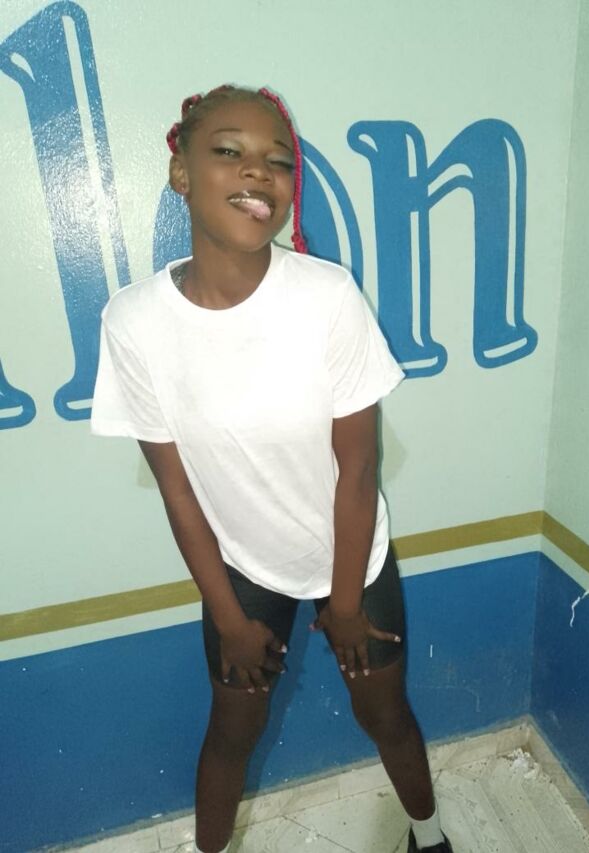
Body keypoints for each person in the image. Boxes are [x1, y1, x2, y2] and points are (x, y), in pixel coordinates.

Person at [91, 84, 452, 853]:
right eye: (229, 151)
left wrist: (345, 605)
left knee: (384, 712)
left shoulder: (327, 297)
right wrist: (229, 619)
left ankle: (430, 836)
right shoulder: (135, 321)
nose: (259, 172)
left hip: (351, 551)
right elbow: (177, 489)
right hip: (242, 564)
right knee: (233, 728)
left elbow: (358, 470)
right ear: (181, 172)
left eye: (278, 161)